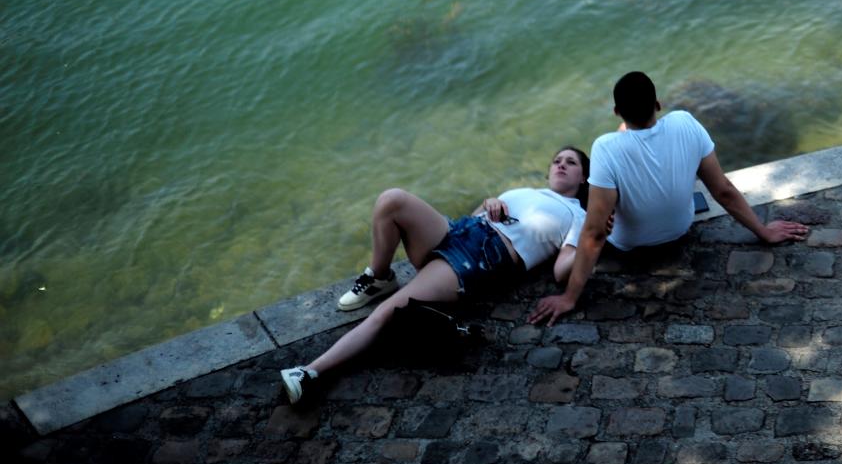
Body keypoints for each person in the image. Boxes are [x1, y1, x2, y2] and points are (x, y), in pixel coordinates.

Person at [279, 146, 590, 404]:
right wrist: (490, 202)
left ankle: (309, 373)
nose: (561, 164)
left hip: (476, 259)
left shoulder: (577, 215)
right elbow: (480, 216)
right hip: (459, 231)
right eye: (557, 160)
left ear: (584, 176)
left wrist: (593, 245)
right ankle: (380, 276)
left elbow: (562, 270)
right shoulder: (526, 190)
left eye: (571, 162)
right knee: (392, 199)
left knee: (387, 313)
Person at [528, 71, 810, 327]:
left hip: (628, 242)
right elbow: (722, 190)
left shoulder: (604, 148)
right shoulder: (685, 123)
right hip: (679, 228)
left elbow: (594, 233)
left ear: (617, 112)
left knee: (609, 173)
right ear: (658, 104)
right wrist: (763, 231)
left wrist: (569, 298)